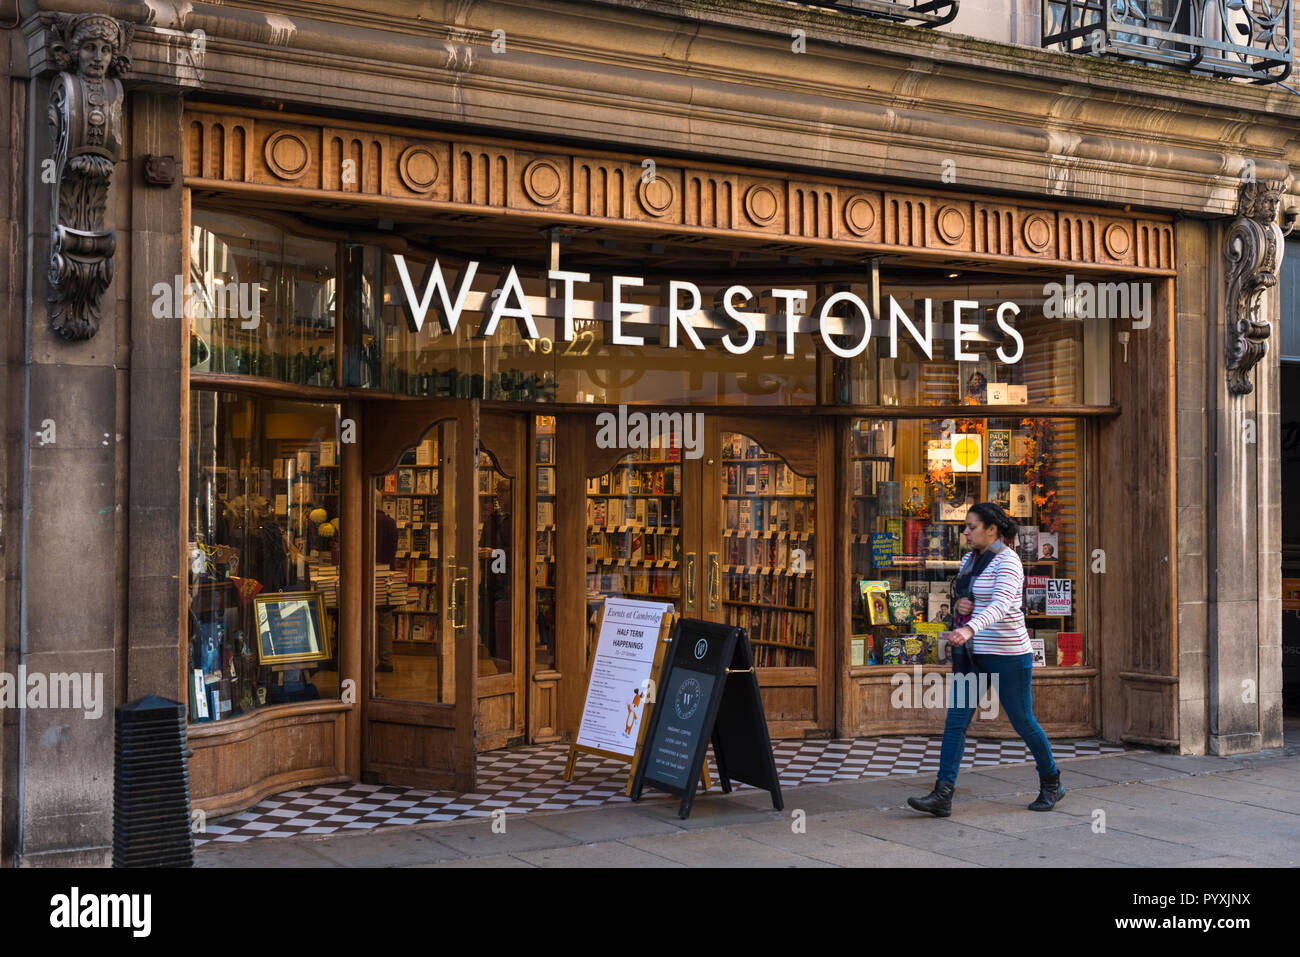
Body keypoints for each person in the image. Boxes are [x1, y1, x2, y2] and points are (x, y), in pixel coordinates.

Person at [907, 502, 1064, 817]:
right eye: (965, 526)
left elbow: (1003, 604)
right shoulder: (969, 559)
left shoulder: (1008, 561)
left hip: (1008, 656)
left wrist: (969, 629)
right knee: (955, 722)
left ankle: (1051, 782)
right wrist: (961, 604)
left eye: (971, 526)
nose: (965, 532)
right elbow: (969, 597)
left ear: (991, 529)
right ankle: (943, 794)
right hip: (974, 657)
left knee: (1023, 722)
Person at [375, 506, 398, 673]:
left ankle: (367, 659)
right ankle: (386, 659)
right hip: (386, 572)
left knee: (369, 620)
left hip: (367, 572)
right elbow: (393, 548)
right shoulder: (390, 522)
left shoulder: (365, 519)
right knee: (385, 619)